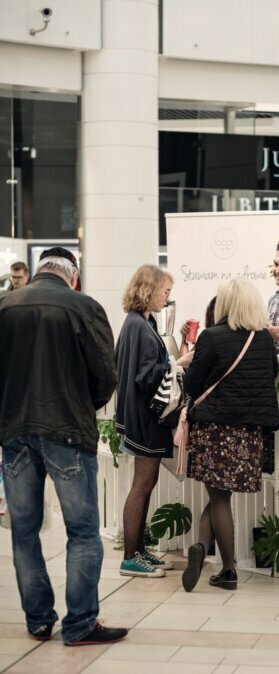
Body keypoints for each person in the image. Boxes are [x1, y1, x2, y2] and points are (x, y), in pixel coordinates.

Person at [0, 247, 127, 646]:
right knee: (83, 530)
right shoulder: (83, 306)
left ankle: (38, 620)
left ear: (39, 271)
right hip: (68, 429)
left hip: (14, 431)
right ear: (73, 275)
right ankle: (80, 624)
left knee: (23, 531)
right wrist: (82, 404)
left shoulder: (5, 306)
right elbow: (106, 374)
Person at [181, 278, 279, 593]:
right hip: (248, 431)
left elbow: (192, 386)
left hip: (214, 429)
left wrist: (186, 360)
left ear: (225, 304)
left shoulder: (211, 337)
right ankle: (201, 545)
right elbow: (272, 375)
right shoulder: (264, 340)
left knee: (219, 497)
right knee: (221, 496)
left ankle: (228, 570)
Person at [115, 265, 192, 578]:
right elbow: (147, 378)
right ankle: (131, 557)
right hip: (143, 422)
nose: (167, 297)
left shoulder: (139, 323)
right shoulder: (140, 326)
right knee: (141, 486)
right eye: (165, 291)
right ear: (149, 290)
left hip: (139, 419)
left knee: (145, 485)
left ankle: (139, 551)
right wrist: (179, 364)